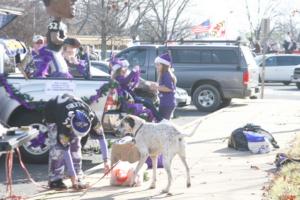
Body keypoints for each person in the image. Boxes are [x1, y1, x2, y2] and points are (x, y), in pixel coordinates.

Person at [44, 94, 109, 190]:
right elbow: (65, 149)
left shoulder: (91, 117)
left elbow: (101, 137)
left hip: (70, 111)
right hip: (53, 111)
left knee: (76, 145)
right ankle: (55, 179)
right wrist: (72, 176)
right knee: (57, 148)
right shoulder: (65, 123)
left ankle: (79, 176)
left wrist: (106, 161)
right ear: (71, 125)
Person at [42, 0, 78, 78]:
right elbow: (54, 39)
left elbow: (62, 42)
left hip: (58, 52)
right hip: (52, 52)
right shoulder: (54, 23)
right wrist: (67, 42)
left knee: (64, 70)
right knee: (60, 71)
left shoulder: (63, 25)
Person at [151, 53, 177, 120]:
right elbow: (161, 85)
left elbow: (170, 88)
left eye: (158, 65)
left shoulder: (166, 74)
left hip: (167, 103)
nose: (156, 66)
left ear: (164, 65)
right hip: (166, 102)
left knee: (163, 123)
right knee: (164, 123)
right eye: (156, 65)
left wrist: (156, 87)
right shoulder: (163, 73)